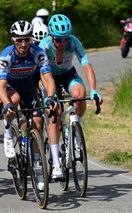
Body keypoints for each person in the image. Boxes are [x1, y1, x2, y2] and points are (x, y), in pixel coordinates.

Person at [39, 14, 103, 179]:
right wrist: (50, 96)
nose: (63, 43)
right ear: (51, 37)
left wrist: (94, 89)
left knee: (80, 94)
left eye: (65, 39)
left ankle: (75, 130)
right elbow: (41, 73)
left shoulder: (73, 42)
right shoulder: (44, 46)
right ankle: (55, 165)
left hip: (68, 74)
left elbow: (87, 66)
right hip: (49, 77)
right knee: (55, 115)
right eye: (59, 40)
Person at [0, 20, 58, 190]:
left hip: (28, 86)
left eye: (26, 39)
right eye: (19, 40)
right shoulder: (7, 56)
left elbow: (47, 78)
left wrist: (50, 97)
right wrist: (6, 103)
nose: (23, 44)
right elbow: (0, 85)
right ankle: (8, 133)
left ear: (31, 39)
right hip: (9, 86)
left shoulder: (38, 53)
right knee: (14, 101)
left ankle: (37, 165)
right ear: (13, 40)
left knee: (37, 121)